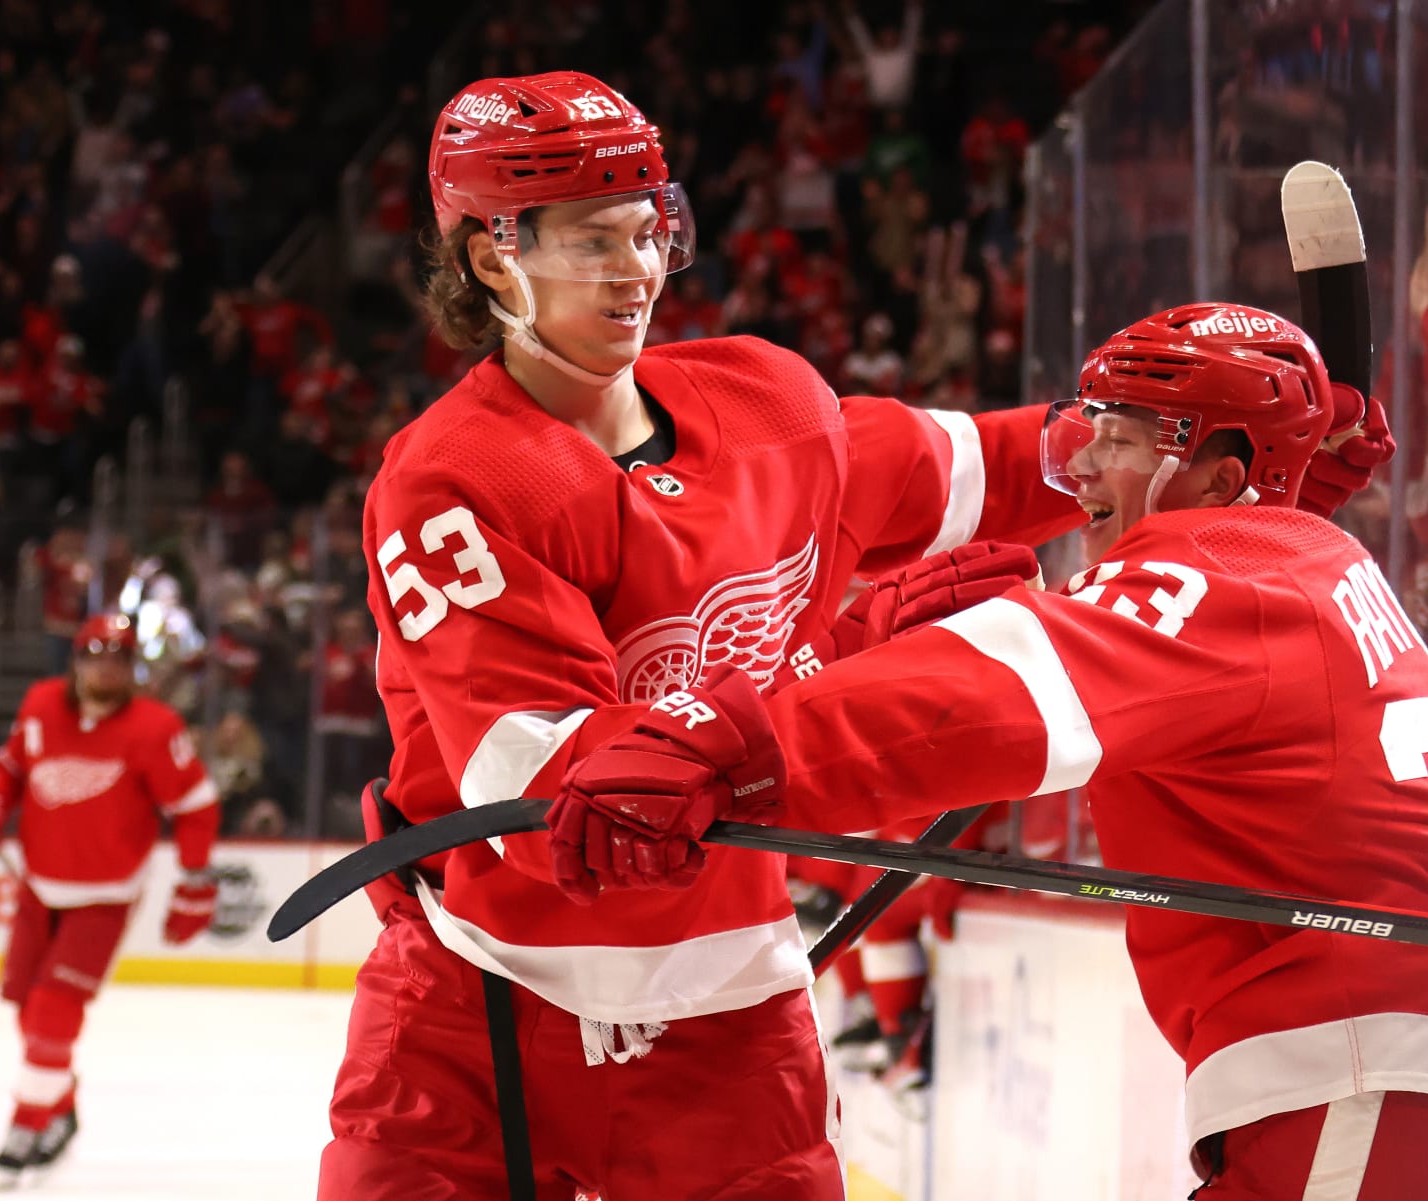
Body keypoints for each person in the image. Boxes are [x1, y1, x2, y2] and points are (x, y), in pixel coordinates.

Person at [548, 303, 1428, 1200]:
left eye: (1124, 436)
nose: (1081, 468)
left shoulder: (1226, 572)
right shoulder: (1296, 558)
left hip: (1386, 1077)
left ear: (1221, 467)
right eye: (1090, 430)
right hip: (1425, 1080)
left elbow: (989, 694)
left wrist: (725, 737)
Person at [323, 67, 1100, 1201]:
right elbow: (578, 811)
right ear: (493, 257)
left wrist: (1174, 447)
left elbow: (988, 464)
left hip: (731, 1022)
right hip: (478, 1016)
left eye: (649, 232)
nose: (637, 270)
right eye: (593, 241)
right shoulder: (457, 481)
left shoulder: (771, 404)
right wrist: (836, 670)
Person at [0, 614, 220, 1181]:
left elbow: (195, 805)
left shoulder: (155, 726)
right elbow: (10, 768)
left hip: (105, 894)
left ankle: (28, 1122)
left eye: (121, 657)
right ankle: (60, 1104)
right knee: (27, 1008)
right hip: (38, 883)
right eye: (97, 654)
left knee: (55, 1010)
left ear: (132, 668)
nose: (107, 665)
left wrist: (195, 884)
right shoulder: (40, 704)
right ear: (76, 658)